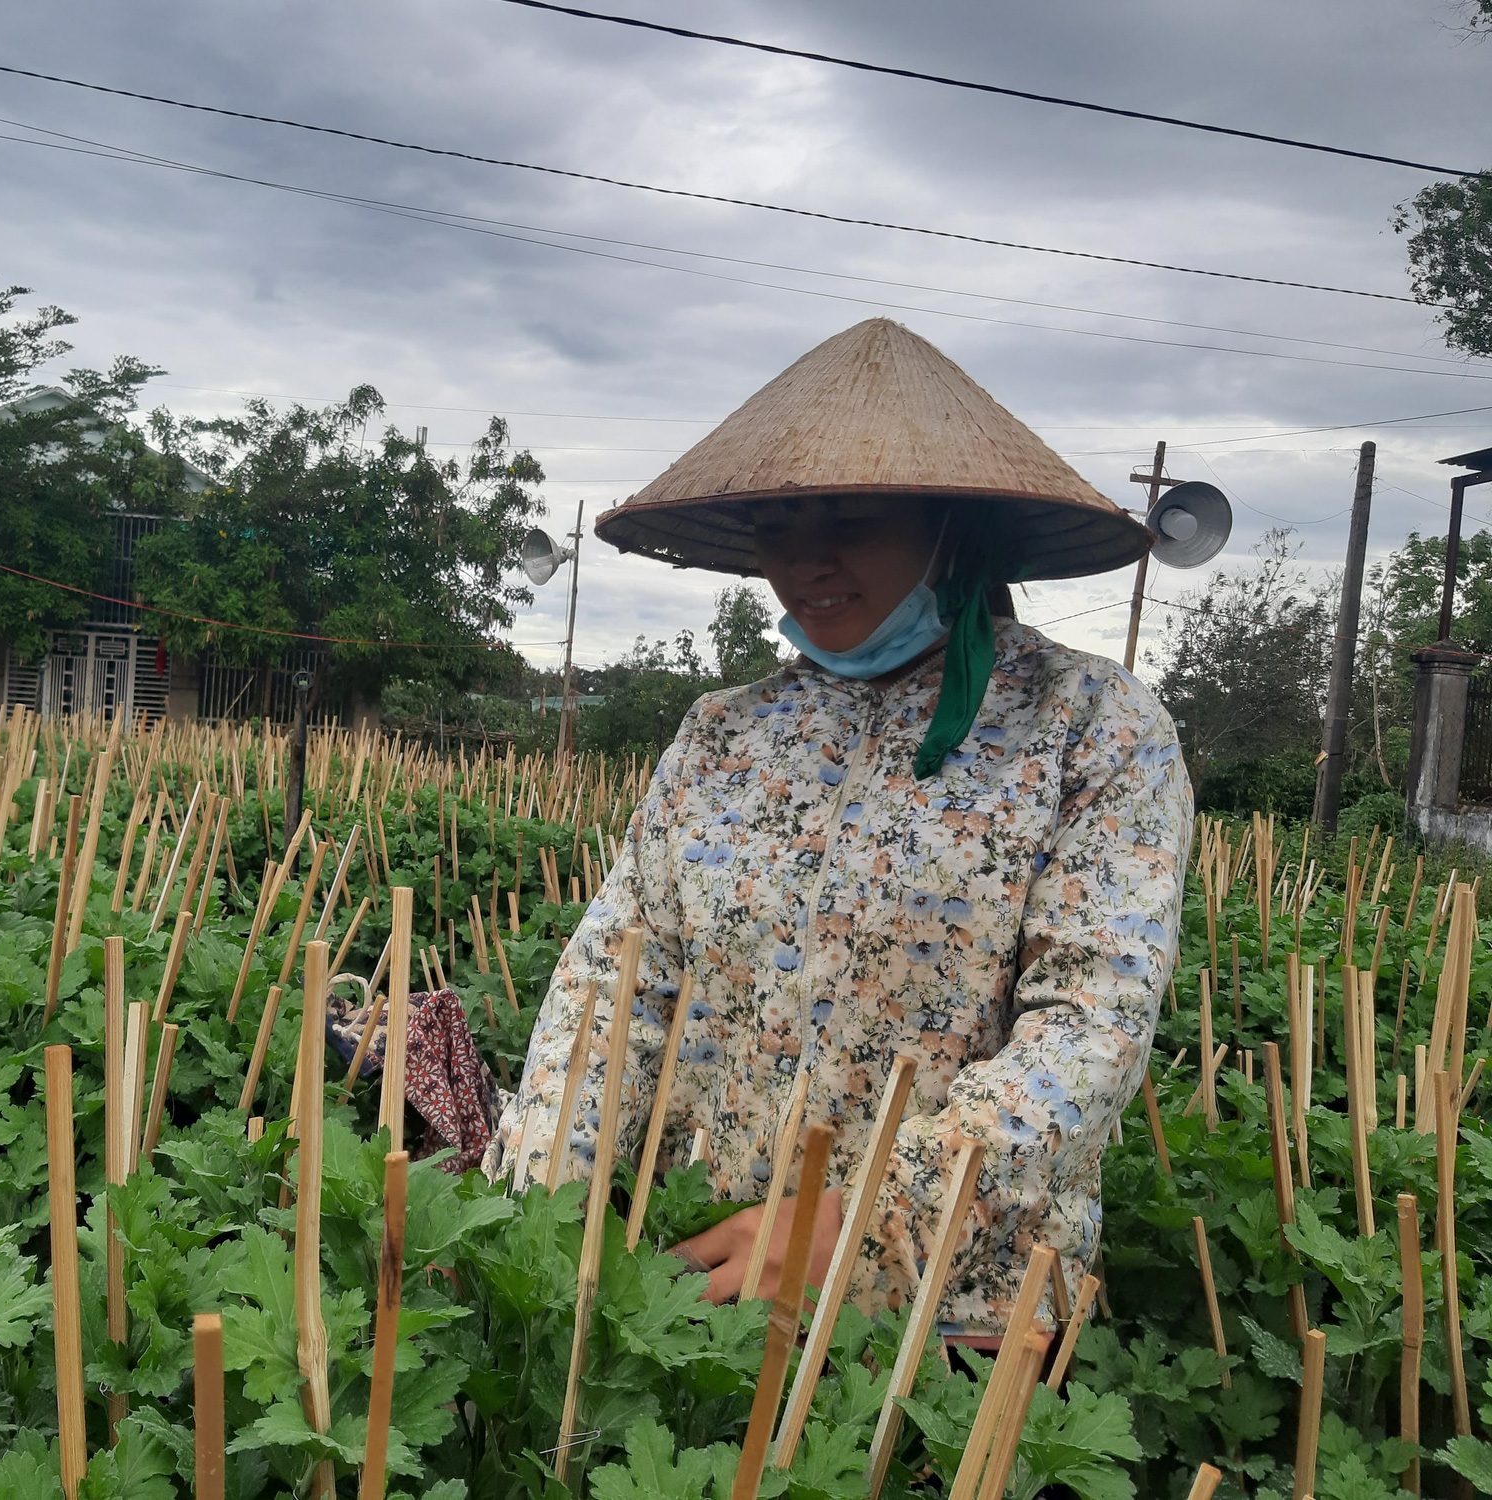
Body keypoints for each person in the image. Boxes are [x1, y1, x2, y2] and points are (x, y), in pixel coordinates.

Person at [485, 319, 1193, 1337]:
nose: (806, 562)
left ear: (954, 527)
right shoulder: (723, 734)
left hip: (949, 1298)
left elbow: (1089, 1032)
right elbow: (617, 983)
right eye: (780, 525)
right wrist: (536, 1214)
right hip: (704, 1266)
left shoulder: (1088, 726)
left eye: (850, 519)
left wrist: (857, 1222)